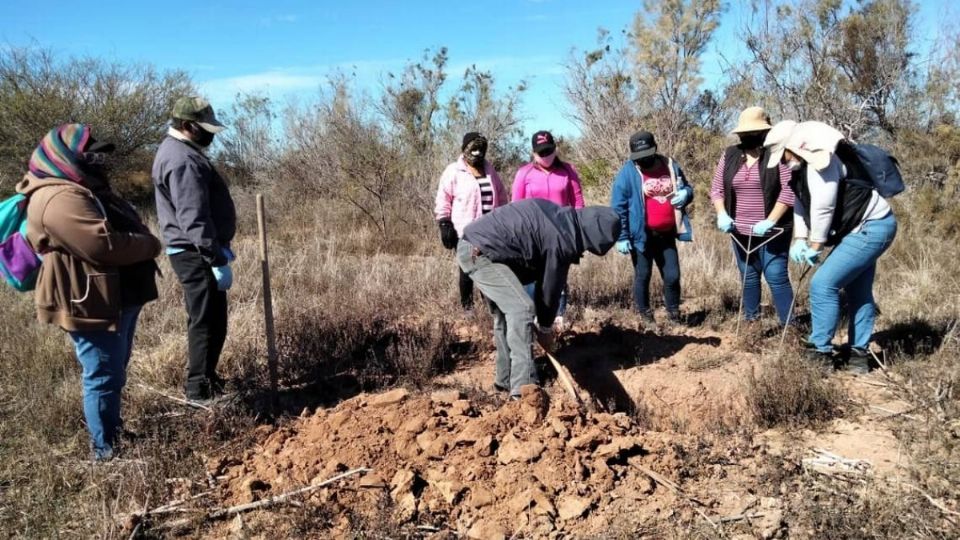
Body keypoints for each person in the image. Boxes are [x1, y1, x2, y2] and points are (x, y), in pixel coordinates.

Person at [17, 124, 162, 461]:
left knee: (114, 369)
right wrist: (150, 244)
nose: (99, 162)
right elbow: (101, 246)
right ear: (63, 156)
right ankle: (105, 450)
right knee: (102, 374)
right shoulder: (58, 196)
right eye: (91, 155)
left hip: (111, 298)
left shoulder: (83, 187)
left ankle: (114, 432)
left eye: (101, 156)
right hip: (87, 300)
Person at [764, 121, 898, 373]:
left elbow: (823, 206)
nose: (781, 162)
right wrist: (800, 239)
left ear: (791, 148)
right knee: (857, 289)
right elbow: (801, 205)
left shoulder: (821, 164)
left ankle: (820, 352)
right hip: (862, 229)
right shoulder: (800, 169)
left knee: (823, 285)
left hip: (871, 227)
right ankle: (858, 356)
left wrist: (816, 245)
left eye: (782, 155)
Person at [457, 199, 620, 398]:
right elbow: (550, 287)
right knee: (521, 309)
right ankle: (524, 392)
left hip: (479, 246)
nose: (585, 251)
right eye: (588, 247)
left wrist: (544, 324)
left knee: (505, 315)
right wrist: (544, 328)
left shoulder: (563, 222)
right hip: (480, 253)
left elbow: (549, 283)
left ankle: (504, 382)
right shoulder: (562, 239)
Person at [152, 97, 237, 403]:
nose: (212, 135)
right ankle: (199, 392)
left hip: (198, 250)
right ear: (187, 126)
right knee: (205, 321)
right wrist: (214, 256)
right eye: (206, 129)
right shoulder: (182, 159)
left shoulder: (183, 151)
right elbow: (193, 216)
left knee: (214, 319)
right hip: (195, 253)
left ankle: (209, 380)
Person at [710, 106, 795, 326]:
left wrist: (771, 221)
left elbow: (789, 190)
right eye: (745, 133)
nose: (749, 136)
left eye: (754, 132)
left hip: (773, 231)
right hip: (739, 231)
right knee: (748, 277)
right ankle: (751, 323)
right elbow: (717, 188)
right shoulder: (730, 155)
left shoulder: (776, 154)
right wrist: (722, 215)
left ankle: (790, 326)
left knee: (776, 276)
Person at [611, 131, 694, 325]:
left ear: (654, 149)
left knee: (672, 276)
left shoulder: (670, 166)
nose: (642, 160)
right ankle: (646, 317)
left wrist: (685, 194)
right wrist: (621, 236)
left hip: (666, 234)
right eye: (638, 157)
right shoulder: (627, 173)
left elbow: (688, 188)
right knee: (643, 275)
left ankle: (674, 315)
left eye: (646, 155)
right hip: (641, 236)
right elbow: (618, 207)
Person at [511, 130, 585, 329]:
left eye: (549, 151)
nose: (546, 156)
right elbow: (515, 207)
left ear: (555, 148)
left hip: (562, 234)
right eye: (541, 153)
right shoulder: (524, 173)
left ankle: (558, 315)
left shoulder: (568, 171)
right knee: (532, 278)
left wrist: (578, 233)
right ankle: (533, 315)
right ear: (533, 153)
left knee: (558, 275)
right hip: (532, 236)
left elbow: (578, 203)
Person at [434, 132, 508, 313]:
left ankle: (490, 308)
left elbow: (501, 196)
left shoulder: (490, 170)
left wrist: (506, 220)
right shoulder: (453, 171)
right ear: (465, 149)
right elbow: (443, 198)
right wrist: (444, 223)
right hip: (464, 231)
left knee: (489, 269)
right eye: (473, 148)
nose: (477, 152)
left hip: (490, 230)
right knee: (467, 270)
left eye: (481, 149)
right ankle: (468, 309)